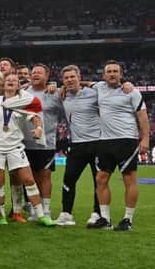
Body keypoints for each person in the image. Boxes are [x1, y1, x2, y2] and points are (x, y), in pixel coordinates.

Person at [0, 74, 55, 227]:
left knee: (28, 180)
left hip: (15, 146)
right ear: (3, 85)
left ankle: (41, 216)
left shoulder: (23, 102)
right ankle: (2, 216)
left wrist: (38, 128)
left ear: (18, 86)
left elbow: (35, 117)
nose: (11, 82)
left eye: (14, 81)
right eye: (8, 81)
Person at [89, 61, 150, 231]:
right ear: (103, 75)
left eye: (116, 71)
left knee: (129, 180)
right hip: (104, 141)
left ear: (121, 75)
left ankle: (127, 220)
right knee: (101, 179)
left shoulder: (132, 92)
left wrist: (145, 139)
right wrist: (57, 86)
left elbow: (143, 117)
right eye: (109, 71)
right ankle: (105, 219)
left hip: (126, 140)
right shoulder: (99, 87)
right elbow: (83, 83)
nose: (112, 74)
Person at [54, 65, 101, 226]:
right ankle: (66, 214)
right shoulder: (62, 95)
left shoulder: (94, 93)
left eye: (72, 77)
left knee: (99, 181)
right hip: (76, 145)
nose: (69, 80)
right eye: (66, 78)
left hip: (97, 144)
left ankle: (97, 213)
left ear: (79, 77)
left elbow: (109, 88)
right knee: (68, 179)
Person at [22, 64, 65, 220]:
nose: (35, 75)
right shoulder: (24, 92)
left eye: (39, 72)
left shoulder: (54, 94)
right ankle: (36, 208)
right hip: (26, 142)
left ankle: (46, 209)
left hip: (46, 143)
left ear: (47, 76)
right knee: (30, 178)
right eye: (33, 72)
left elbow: (64, 113)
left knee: (45, 176)